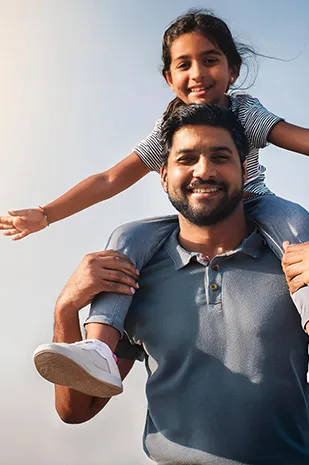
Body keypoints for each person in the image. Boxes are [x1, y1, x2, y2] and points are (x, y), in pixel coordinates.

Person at [33, 9, 309, 397]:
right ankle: (97, 347)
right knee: (126, 238)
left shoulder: (246, 113)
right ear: (169, 78)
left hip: (257, 207)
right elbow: (110, 179)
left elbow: (300, 139)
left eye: (210, 60)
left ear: (232, 69)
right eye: (184, 64)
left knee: (298, 221)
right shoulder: (170, 130)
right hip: (196, 213)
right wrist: (46, 214)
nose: (197, 73)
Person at [47, 104, 309, 464]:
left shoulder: (295, 261)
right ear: (163, 174)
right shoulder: (133, 274)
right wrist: (66, 308)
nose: (204, 170)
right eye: (187, 159)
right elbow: (76, 410)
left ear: (244, 170)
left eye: (220, 157)